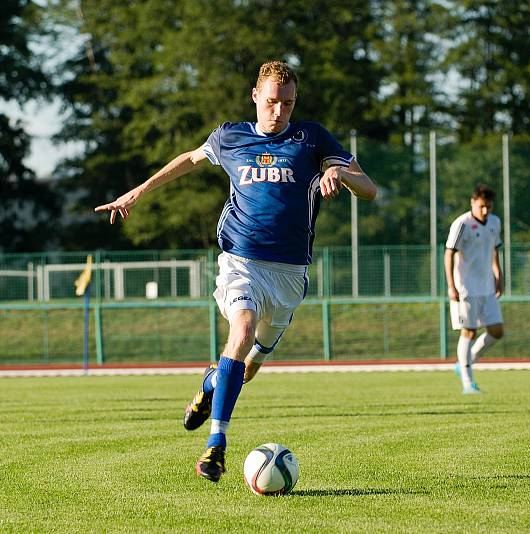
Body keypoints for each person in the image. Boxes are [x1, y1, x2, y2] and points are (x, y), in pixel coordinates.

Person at [95, 60, 377, 483]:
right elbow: (189, 160)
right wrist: (138, 192)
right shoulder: (231, 136)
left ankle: (211, 385)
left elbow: (370, 190)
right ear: (255, 97)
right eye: (271, 102)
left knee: (245, 369)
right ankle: (215, 446)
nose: (279, 111)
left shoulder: (312, 138)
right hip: (240, 261)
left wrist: (338, 171)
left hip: (289, 275)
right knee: (240, 333)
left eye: (288, 103)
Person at [444, 184, 504, 394]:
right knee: (468, 332)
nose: (485, 211)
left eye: (488, 206)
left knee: (497, 331)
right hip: (465, 289)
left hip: (487, 287)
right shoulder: (462, 224)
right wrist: (451, 286)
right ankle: (468, 384)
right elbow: (449, 254)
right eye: (481, 206)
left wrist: (499, 276)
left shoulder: (495, 222)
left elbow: (495, 251)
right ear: (473, 203)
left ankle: (465, 363)